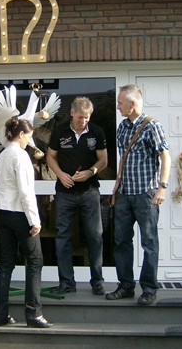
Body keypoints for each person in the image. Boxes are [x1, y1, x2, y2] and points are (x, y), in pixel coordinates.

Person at [105, 84, 171, 306]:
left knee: (149, 242)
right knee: (121, 241)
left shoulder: (152, 126)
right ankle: (126, 286)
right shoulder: (122, 127)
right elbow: (123, 158)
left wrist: (162, 187)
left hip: (146, 194)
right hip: (124, 193)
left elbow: (165, 157)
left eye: (120, 103)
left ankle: (149, 289)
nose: (117, 106)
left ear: (132, 104)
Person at [46, 97, 108, 296]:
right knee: (62, 237)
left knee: (95, 236)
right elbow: (50, 157)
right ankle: (66, 283)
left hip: (89, 192)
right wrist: (60, 174)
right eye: (80, 117)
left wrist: (91, 171)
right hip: (64, 193)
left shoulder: (96, 132)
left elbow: (103, 160)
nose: (84, 121)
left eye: (87, 117)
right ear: (72, 113)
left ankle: (97, 282)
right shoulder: (60, 131)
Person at [0, 116, 52, 329]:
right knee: (35, 261)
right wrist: (35, 219)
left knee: (6, 264)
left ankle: (1, 314)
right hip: (21, 214)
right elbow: (26, 191)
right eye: (28, 136)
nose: (29, 141)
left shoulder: (1, 156)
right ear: (20, 134)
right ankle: (34, 314)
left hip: (4, 213)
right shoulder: (21, 156)